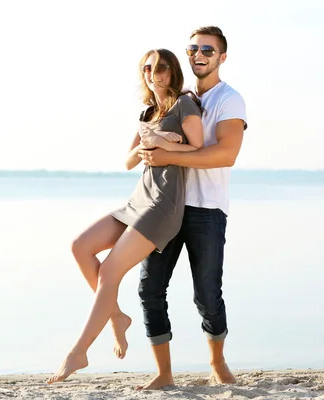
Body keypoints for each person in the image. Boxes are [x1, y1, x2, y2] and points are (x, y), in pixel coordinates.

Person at [47, 48, 204, 384]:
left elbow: (199, 148)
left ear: (172, 71)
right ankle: (116, 316)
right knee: (80, 246)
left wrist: (166, 143)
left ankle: (79, 352)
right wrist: (150, 138)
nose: (153, 74)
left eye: (160, 68)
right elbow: (129, 162)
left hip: (163, 206)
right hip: (138, 199)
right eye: (147, 68)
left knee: (110, 272)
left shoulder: (185, 105)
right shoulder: (148, 110)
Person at [135, 26, 248, 390]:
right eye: (192, 49)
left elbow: (226, 154)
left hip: (207, 209)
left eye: (207, 50)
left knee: (207, 295)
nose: (198, 54)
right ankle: (164, 373)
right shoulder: (179, 99)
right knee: (150, 288)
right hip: (165, 208)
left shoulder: (230, 100)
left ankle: (217, 362)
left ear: (222, 57)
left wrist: (167, 154)